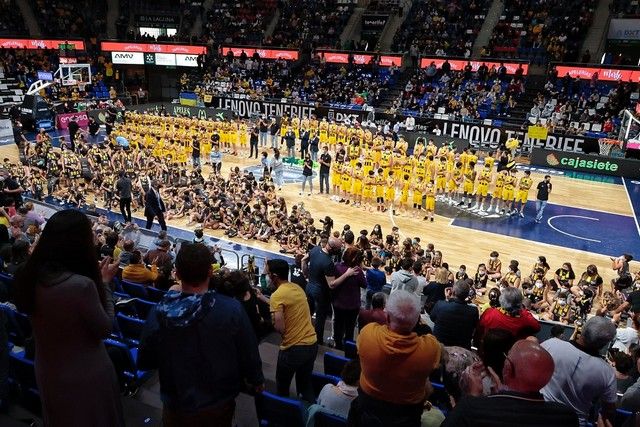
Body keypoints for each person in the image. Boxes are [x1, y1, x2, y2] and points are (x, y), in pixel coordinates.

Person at [14, 209, 124, 426]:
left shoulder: (26, 275)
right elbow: (105, 328)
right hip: (85, 374)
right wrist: (104, 285)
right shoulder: (81, 286)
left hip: (47, 368)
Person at [138, 243, 264, 426]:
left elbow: (145, 360)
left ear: (177, 273)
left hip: (175, 404)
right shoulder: (231, 309)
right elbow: (249, 354)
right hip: (218, 403)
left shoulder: (159, 311)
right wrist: (257, 380)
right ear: (210, 272)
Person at [348, 291, 442, 427]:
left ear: (387, 318)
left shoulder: (368, 333)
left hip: (365, 413)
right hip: (405, 418)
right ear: (417, 321)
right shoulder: (430, 348)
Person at [443, 340, 578, 427]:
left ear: (507, 368)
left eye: (507, 356)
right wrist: (501, 398)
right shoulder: (567, 417)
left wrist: (472, 398)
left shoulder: (472, 408)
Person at [542, 316, 617, 426]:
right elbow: (609, 409)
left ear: (582, 330)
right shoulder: (607, 372)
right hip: (575, 422)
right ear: (605, 344)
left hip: (540, 416)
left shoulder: (551, 345)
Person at [266, 258, 318, 402]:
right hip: (312, 344)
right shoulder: (296, 288)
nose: (266, 275)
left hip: (293, 349)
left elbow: (279, 327)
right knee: (305, 385)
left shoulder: (277, 296)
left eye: (267, 273)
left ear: (274, 276)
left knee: (282, 389)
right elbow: (288, 305)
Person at [302, 237, 349, 345]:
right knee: (320, 317)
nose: (340, 250)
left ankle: (303, 334)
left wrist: (306, 274)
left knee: (307, 313)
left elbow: (303, 260)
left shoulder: (315, 249)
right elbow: (332, 284)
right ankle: (318, 341)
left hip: (309, 286)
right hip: (320, 292)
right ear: (332, 248)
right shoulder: (328, 262)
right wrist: (346, 274)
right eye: (338, 248)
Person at [475, 287, 540, 343]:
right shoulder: (524, 318)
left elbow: (479, 331)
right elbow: (537, 327)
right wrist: (524, 312)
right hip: (511, 353)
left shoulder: (490, 313)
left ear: (501, 300)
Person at [331, 247, 366, 350]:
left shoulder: (337, 266)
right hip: (352, 305)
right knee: (349, 328)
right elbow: (364, 284)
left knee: (338, 325)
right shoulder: (357, 271)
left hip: (338, 303)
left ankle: (337, 345)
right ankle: (347, 348)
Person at [430, 280, 479, 349]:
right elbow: (474, 328)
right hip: (461, 348)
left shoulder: (440, 304)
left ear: (453, 292)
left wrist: (446, 300)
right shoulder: (473, 311)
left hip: (440, 346)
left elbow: (432, 318)